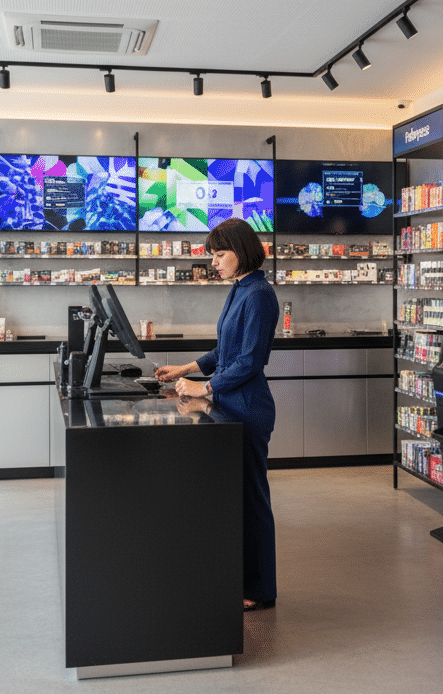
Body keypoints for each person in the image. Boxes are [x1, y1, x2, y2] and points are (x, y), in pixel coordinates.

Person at [155, 217, 279, 611]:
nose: (214, 262)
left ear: (241, 251)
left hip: (248, 407)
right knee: (234, 498)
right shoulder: (239, 289)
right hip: (230, 402)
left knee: (252, 498)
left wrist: (204, 388)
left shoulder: (259, 295)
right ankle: (238, 579)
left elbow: (248, 362)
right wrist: (186, 369)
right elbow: (222, 351)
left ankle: (260, 590)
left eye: (220, 254)